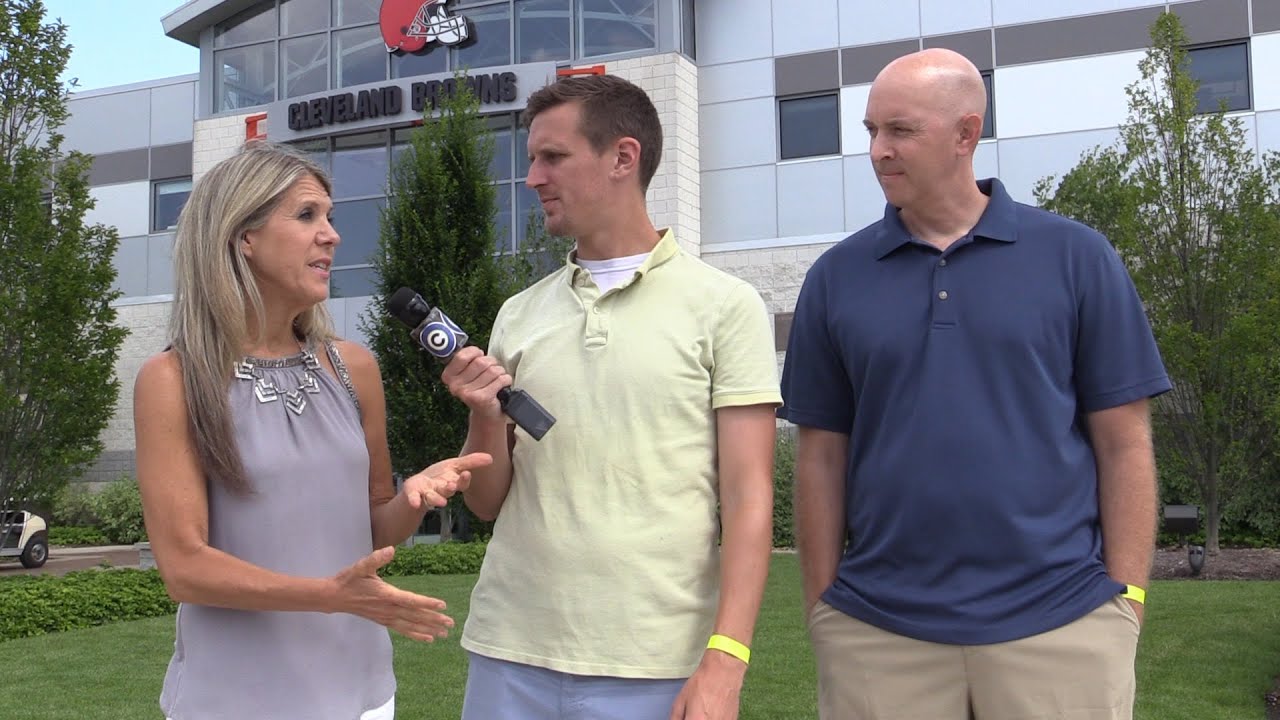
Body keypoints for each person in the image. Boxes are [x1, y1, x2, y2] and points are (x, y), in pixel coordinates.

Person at [778, 48, 1172, 720]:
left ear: (966, 134)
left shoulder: (1076, 257)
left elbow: (1124, 442)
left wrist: (1126, 600)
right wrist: (823, 610)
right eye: (871, 130)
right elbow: (820, 456)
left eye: (900, 131)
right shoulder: (836, 278)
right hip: (878, 633)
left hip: (1061, 624)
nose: (877, 151)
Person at [440, 74, 781, 720]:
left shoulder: (725, 306)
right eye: (532, 159)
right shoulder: (518, 314)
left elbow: (748, 497)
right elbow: (485, 503)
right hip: (510, 654)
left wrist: (728, 657)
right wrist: (484, 416)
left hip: (657, 664)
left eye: (553, 157)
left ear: (623, 157)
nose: (532, 178)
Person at [133, 141, 491, 720]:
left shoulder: (354, 368)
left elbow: (373, 530)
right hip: (235, 702)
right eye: (306, 215)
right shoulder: (172, 380)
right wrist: (328, 597)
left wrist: (412, 497)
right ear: (242, 236)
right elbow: (185, 568)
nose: (332, 235)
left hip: (365, 695)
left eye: (329, 216)